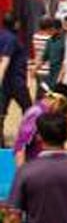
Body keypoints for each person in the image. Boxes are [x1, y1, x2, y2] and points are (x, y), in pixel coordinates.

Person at [11, 83, 67, 166]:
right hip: (32, 167)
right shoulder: (36, 113)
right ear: (58, 101)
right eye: (63, 108)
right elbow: (21, 145)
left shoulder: (45, 112)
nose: (60, 112)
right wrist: (21, 173)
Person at [0, 12, 32, 146]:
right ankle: (28, 140)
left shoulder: (2, 36)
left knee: (1, 113)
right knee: (29, 110)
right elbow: (5, 61)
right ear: (15, 24)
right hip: (16, 82)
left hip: (6, 83)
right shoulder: (11, 39)